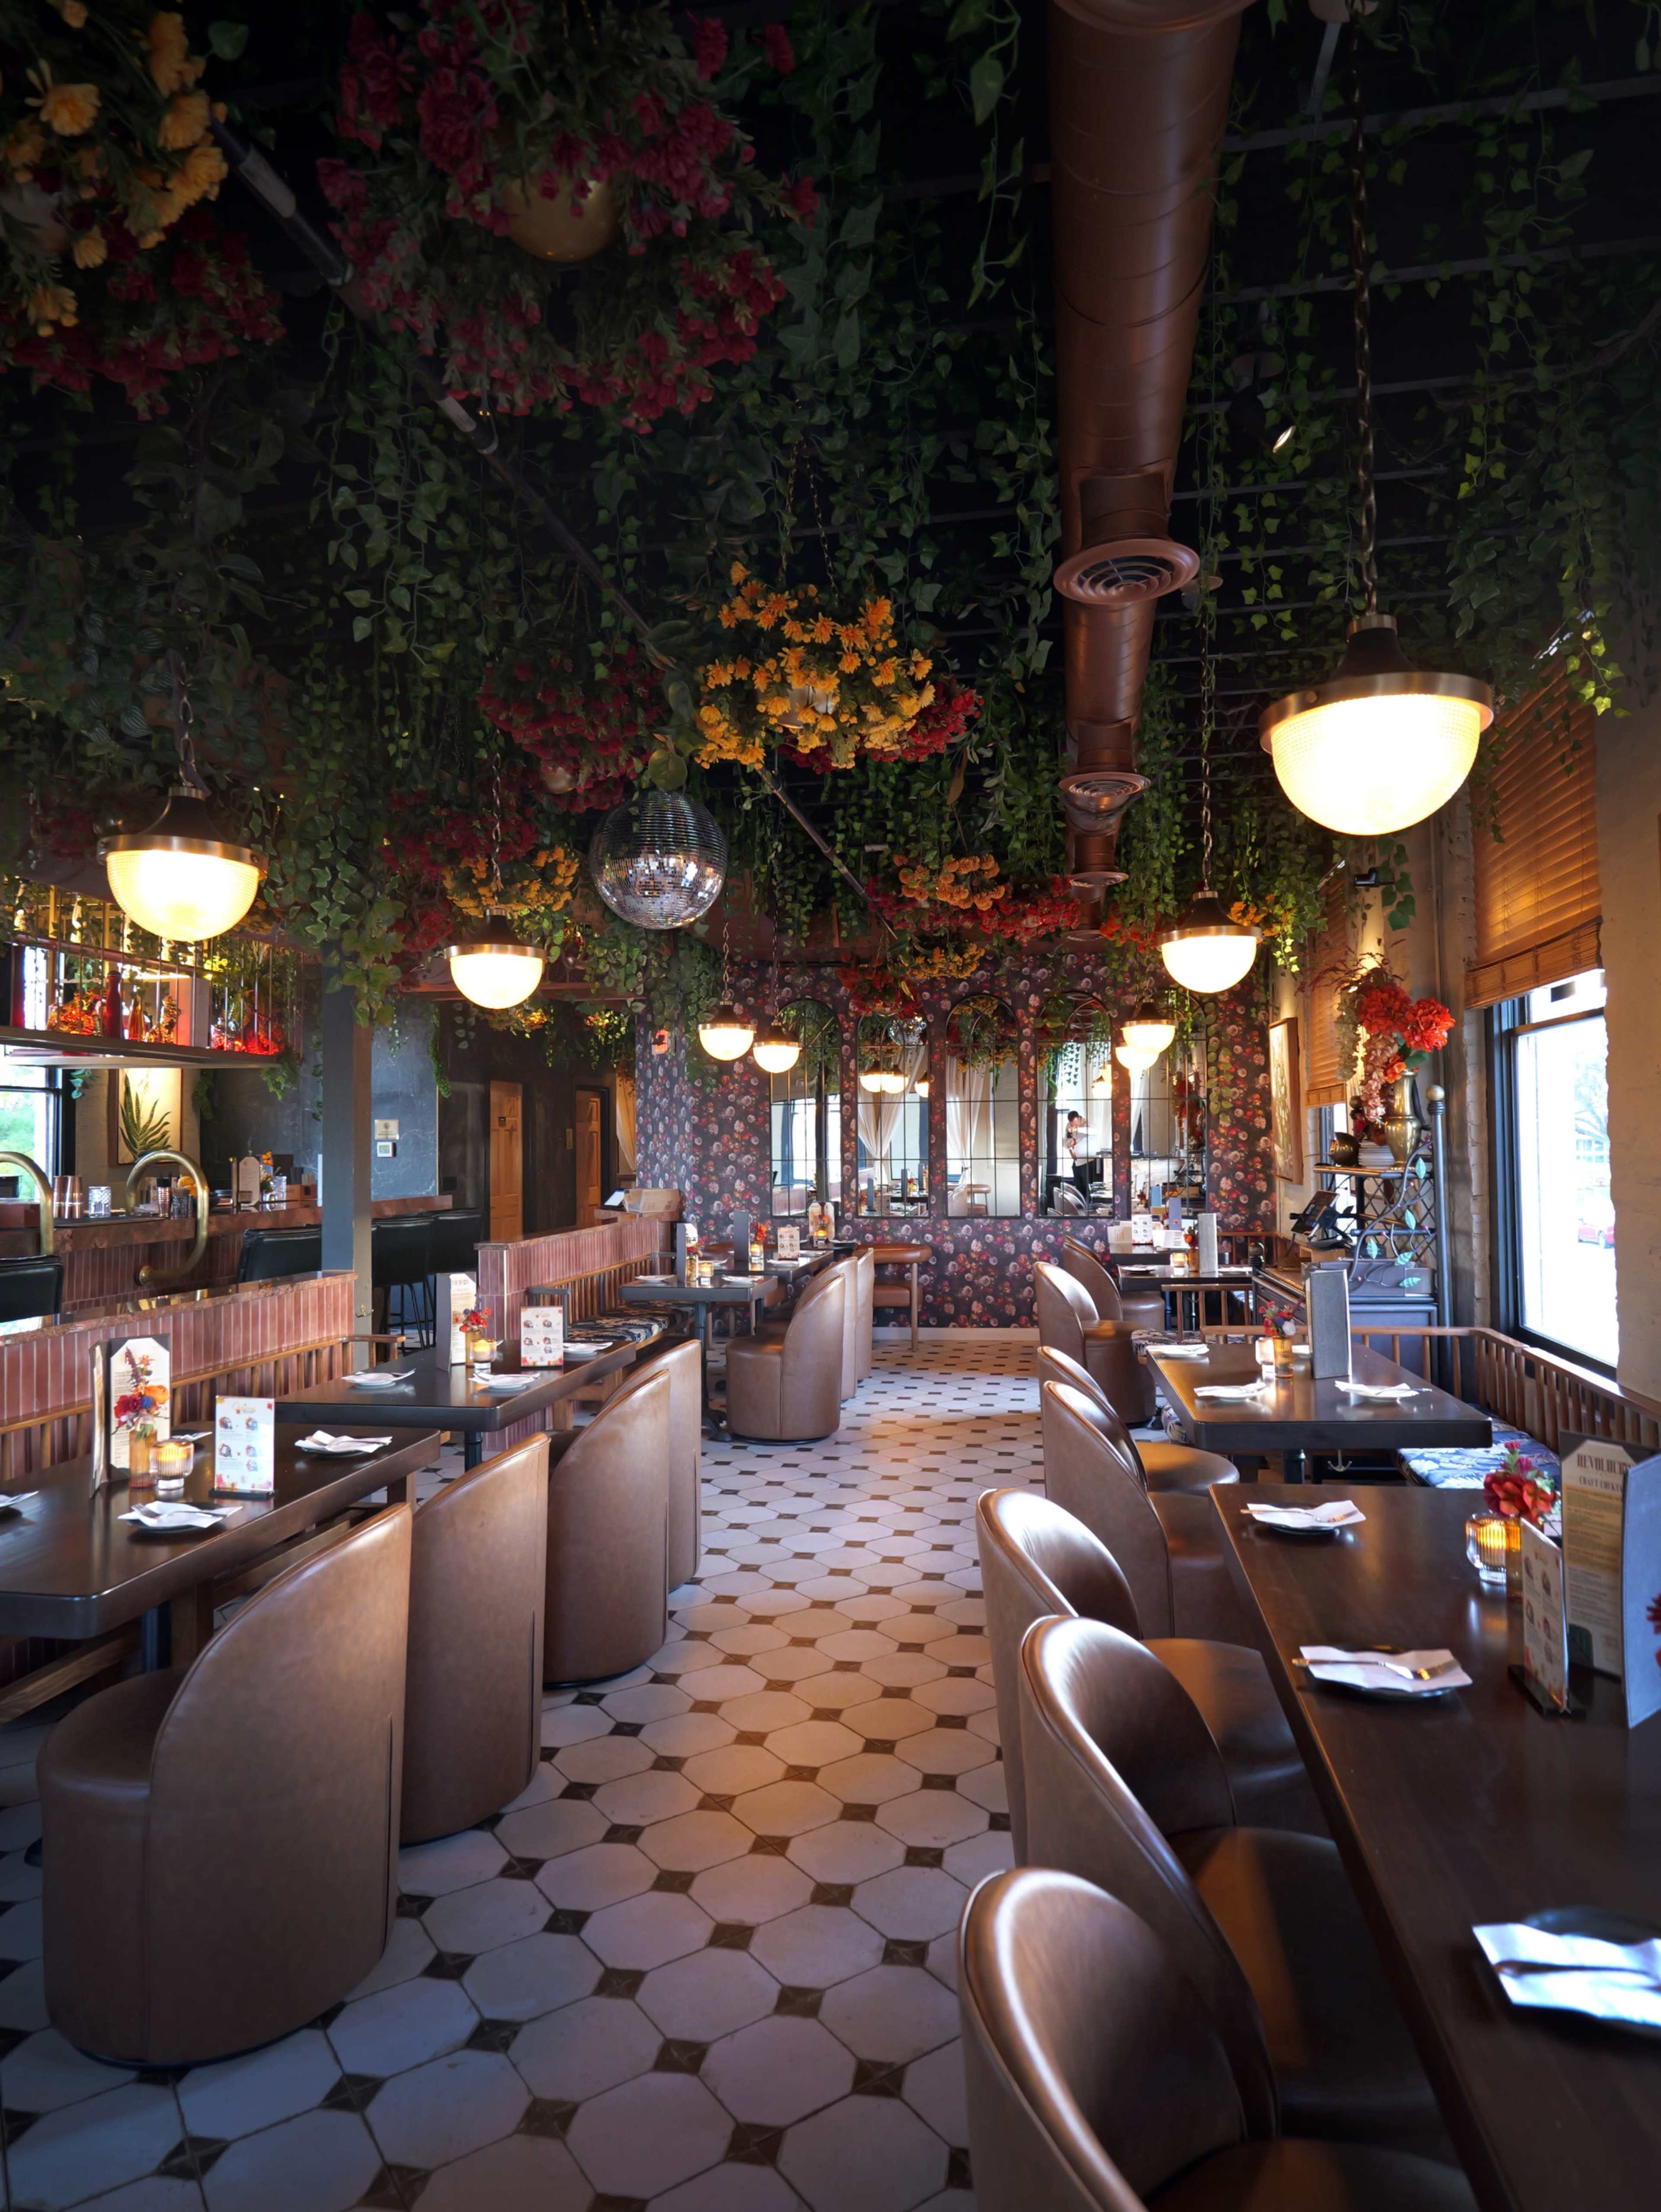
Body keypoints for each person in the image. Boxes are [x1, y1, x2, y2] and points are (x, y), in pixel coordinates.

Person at [1064, 1110, 1092, 1197]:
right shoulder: (1069, 1126)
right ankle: (1081, 1208)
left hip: (1088, 1160)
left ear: (1080, 1119)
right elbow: (1067, 1141)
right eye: (1072, 1124)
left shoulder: (1088, 1123)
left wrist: (1077, 1129)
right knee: (1078, 1187)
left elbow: (1094, 1132)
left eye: (1076, 1124)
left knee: (1088, 1187)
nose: (1073, 1126)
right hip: (1076, 1160)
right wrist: (1071, 1150)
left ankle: (1088, 1207)